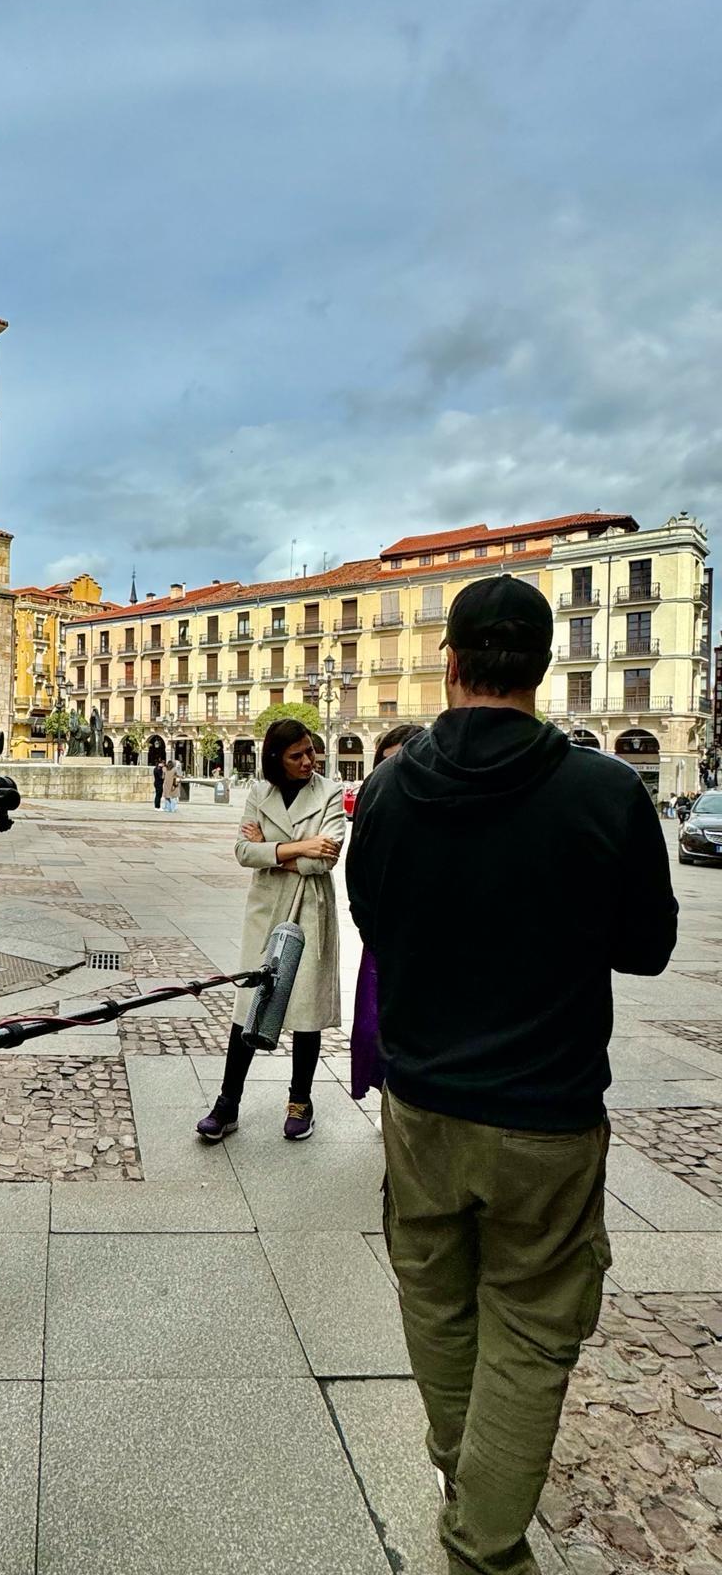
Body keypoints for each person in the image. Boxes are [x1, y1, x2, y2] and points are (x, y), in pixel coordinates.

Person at [346, 575, 677, 1575]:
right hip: (548, 1115)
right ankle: (483, 1544)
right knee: (532, 1328)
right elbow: (649, 945)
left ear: (450, 661)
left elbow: (374, 917)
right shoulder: (606, 790)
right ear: (541, 668)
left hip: (424, 1106)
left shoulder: (391, 789)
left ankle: (466, 1469)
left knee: (437, 1301)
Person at [195, 718, 345, 1142]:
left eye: (310, 751)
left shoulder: (330, 791)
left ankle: (301, 1101)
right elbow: (244, 852)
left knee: (307, 1007)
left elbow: (327, 858)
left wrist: (272, 849)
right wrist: (299, 847)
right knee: (249, 1003)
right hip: (266, 907)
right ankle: (227, 1103)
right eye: (296, 754)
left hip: (311, 907)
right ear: (276, 758)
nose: (307, 761)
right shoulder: (260, 792)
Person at [349, 724, 425, 1102]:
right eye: (384, 763)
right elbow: (356, 870)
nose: (391, 773)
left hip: (427, 936)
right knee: (373, 1024)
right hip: (383, 935)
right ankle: (386, 1094)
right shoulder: (375, 797)